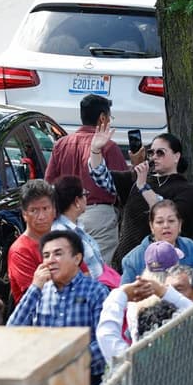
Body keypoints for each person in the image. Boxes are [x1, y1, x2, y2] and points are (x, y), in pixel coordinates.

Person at [7, 230, 110, 385]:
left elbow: (104, 341)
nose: (50, 260)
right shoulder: (40, 292)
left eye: (58, 254)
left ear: (77, 258)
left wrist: (66, 361)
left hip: (87, 380)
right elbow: (12, 330)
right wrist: (34, 287)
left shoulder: (96, 291)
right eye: (46, 255)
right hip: (46, 380)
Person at [43, 94, 126, 262]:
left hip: (65, 214)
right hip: (99, 216)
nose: (110, 121)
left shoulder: (62, 144)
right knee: (100, 269)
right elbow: (122, 185)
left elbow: (49, 182)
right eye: (109, 117)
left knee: (66, 266)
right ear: (102, 118)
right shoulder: (109, 146)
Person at [113, 133, 193, 265]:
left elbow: (167, 213)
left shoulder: (188, 190)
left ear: (176, 156)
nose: (154, 157)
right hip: (129, 260)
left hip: (166, 263)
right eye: (151, 153)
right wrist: (95, 150)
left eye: (160, 152)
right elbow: (101, 177)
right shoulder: (139, 178)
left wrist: (143, 187)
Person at [96, 249, 193, 362]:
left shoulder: (129, 363)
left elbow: (106, 335)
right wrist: (163, 291)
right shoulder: (187, 355)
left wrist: (120, 293)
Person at [119, 201, 193, 283]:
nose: (166, 226)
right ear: (151, 226)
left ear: (180, 224)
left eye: (171, 221)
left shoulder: (190, 246)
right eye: (160, 222)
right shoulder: (132, 260)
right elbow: (126, 296)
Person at [52, 175, 116, 287]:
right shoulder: (61, 234)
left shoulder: (76, 228)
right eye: (85, 194)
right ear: (77, 201)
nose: (87, 198)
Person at [8, 179, 57, 303]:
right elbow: (34, 298)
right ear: (24, 214)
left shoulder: (63, 241)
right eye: (34, 210)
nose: (41, 216)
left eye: (45, 208)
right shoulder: (20, 251)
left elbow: (85, 274)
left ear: (54, 210)